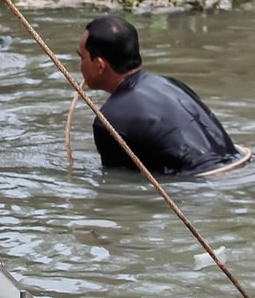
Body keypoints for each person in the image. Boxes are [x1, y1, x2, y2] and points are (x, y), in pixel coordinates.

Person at [78, 16, 241, 177]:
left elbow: (120, 186)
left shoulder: (109, 120)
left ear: (100, 65)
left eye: (82, 58)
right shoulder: (172, 84)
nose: (81, 65)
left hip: (200, 185)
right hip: (240, 166)